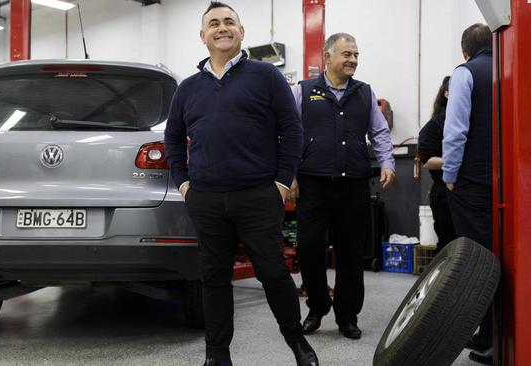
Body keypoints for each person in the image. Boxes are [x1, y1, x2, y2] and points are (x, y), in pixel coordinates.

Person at [164, 2, 318, 366]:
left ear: (241, 32)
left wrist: (281, 183)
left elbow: (292, 129)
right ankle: (217, 356)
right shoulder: (187, 89)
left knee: (274, 273)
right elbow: (173, 140)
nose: (222, 28)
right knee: (213, 280)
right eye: (213, 23)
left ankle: (298, 344)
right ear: (203, 36)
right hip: (206, 200)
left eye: (229, 22)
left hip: (258, 196)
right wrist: (185, 185)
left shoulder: (265, 76)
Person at [290, 33, 395, 340]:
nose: (352, 60)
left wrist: (388, 163)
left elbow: (380, 132)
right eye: (346, 54)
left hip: (353, 185)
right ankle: (317, 306)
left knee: (351, 253)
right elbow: (288, 133)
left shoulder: (365, 93)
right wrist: (290, 173)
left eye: (356, 55)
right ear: (327, 56)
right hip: (313, 183)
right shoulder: (304, 91)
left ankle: (347, 315)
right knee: (310, 248)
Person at [442, 23, 494, 365]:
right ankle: (493, 332)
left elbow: (456, 130)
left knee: (478, 259)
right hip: (511, 180)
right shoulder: (509, 68)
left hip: (472, 182)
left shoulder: (465, 72)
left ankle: (490, 337)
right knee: (504, 254)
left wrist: (449, 175)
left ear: (465, 51)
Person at [418, 76, 457, 251]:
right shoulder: (435, 125)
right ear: (446, 93)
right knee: (449, 245)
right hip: (445, 194)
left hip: (469, 191)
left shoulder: (473, 120)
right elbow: (427, 160)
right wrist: (456, 161)